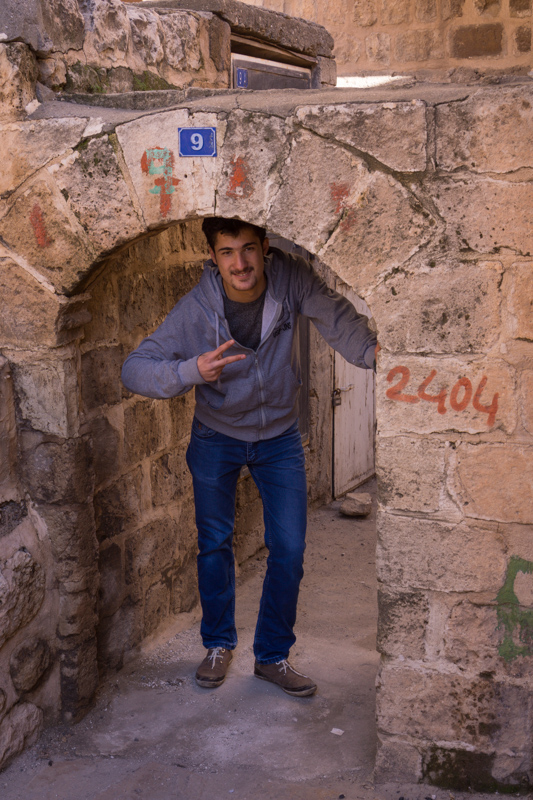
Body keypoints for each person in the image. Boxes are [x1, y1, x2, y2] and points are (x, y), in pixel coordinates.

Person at [121, 217, 377, 697]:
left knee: (290, 549)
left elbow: (336, 317)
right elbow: (134, 368)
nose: (240, 263)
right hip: (216, 436)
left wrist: (377, 353)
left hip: (279, 436)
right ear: (213, 258)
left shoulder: (292, 279)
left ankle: (272, 656)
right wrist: (189, 370)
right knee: (215, 543)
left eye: (248, 250)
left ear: (265, 248)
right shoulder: (197, 309)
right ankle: (218, 645)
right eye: (227, 253)